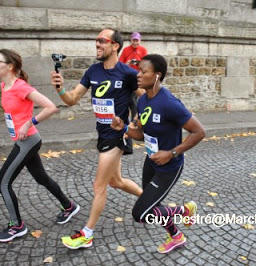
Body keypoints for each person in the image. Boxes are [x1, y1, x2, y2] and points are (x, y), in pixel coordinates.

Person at [51, 28, 143, 249]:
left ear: (115, 46)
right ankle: (149, 198)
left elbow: (150, 97)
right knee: (116, 182)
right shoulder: (93, 71)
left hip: (117, 136)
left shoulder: (128, 73)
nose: (97, 45)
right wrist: (60, 88)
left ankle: (87, 233)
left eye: (102, 41)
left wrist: (134, 123)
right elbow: (72, 99)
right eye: (96, 41)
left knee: (99, 185)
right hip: (102, 134)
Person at [111, 54, 206, 253]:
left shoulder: (170, 103)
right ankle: (176, 236)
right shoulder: (143, 101)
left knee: (140, 213)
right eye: (138, 70)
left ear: (157, 75)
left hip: (169, 167)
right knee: (154, 205)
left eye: (143, 71)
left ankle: (185, 210)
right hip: (151, 161)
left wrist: (172, 152)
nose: (138, 75)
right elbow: (141, 134)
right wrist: (124, 128)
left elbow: (199, 132)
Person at [0, 49, 80, 242]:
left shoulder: (20, 87)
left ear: (10, 66)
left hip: (28, 141)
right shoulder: (4, 85)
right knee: (42, 178)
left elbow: (51, 107)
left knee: (3, 183)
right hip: (21, 140)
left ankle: (17, 226)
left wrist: (28, 123)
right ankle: (69, 206)